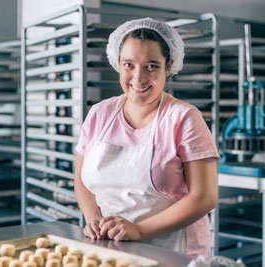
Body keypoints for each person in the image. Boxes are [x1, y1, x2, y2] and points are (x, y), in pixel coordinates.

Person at [74, 17, 219, 258]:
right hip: (114, 248)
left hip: (173, 250)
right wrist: (94, 220)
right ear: (118, 65)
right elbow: (81, 181)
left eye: (151, 66)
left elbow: (204, 197)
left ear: (168, 66)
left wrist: (139, 230)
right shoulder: (99, 114)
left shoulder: (183, 118)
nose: (138, 78)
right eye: (129, 64)